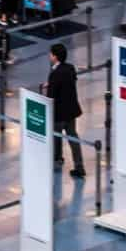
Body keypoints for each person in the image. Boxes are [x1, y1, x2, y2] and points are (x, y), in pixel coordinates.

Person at [44, 43, 84, 178]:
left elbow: (51, 96)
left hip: (59, 113)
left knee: (56, 136)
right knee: (73, 138)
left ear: (55, 57)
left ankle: (57, 158)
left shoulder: (55, 74)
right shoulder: (70, 68)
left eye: (51, 54)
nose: (49, 56)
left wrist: (49, 87)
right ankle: (79, 167)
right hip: (71, 111)